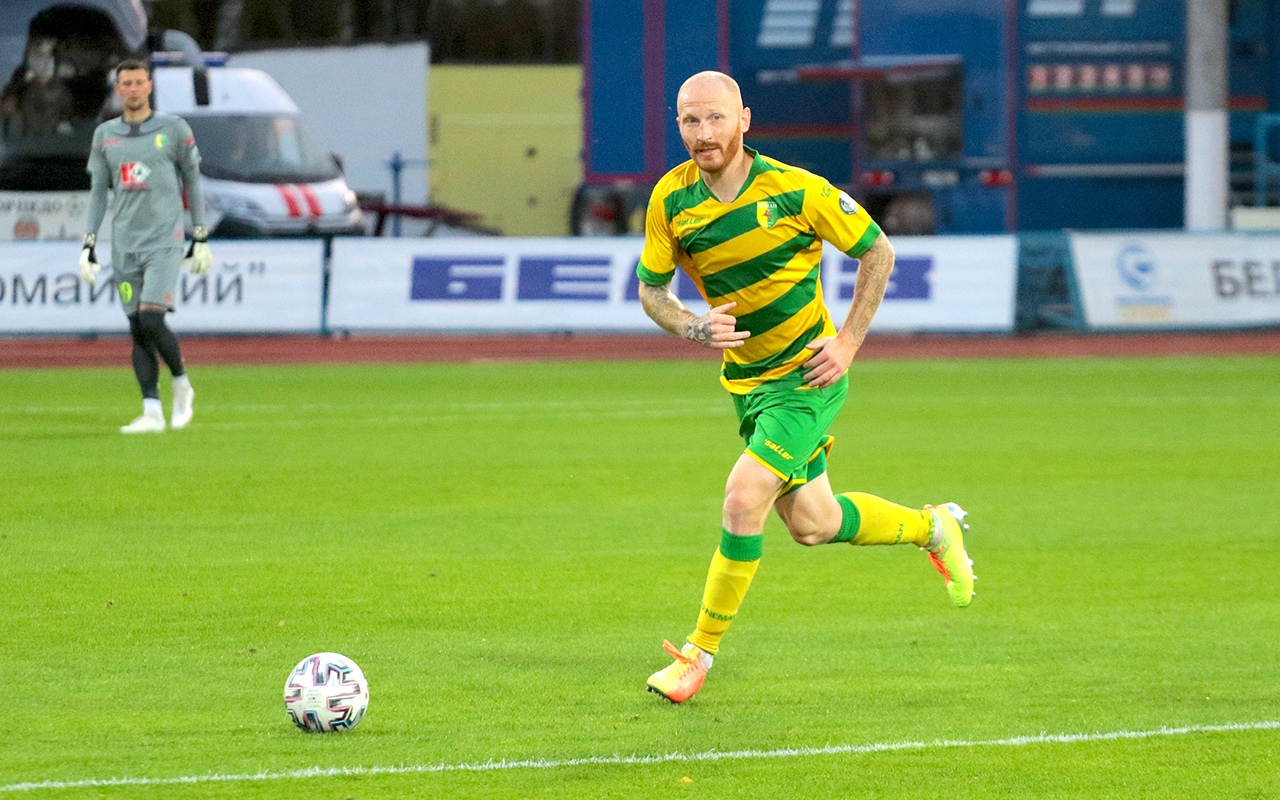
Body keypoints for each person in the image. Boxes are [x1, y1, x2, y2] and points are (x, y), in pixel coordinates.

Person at [639, 71, 976, 704]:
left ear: (744, 119)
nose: (703, 134)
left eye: (715, 118)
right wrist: (689, 324)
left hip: (806, 378)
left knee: (743, 499)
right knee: (815, 524)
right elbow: (652, 290)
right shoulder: (671, 199)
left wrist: (847, 343)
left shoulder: (796, 190)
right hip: (747, 385)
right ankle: (933, 527)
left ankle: (696, 655)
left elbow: (878, 252)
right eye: (690, 120)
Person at [79, 59, 212, 433]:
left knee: (152, 317)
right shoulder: (105, 135)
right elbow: (98, 192)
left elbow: (193, 181)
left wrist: (200, 235)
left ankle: (181, 383)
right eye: (127, 83)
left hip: (164, 242)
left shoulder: (173, 129)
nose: (133, 89)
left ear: (149, 86)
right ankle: (151, 411)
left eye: (139, 82)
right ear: (118, 89)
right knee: (138, 327)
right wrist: (89, 244)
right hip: (125, 246)